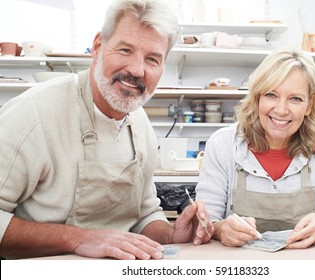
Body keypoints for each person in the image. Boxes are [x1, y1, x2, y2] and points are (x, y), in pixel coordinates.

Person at [0, 0, 212, 260]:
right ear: (99, 47)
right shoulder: (33, 114)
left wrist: (170, 234)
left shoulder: (140, 123)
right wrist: (78, 238)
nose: (137, 70)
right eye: (125, 50)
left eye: (152, 59)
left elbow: (144, 214)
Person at [195, 46, 315, 248]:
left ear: (310, 105)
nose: (281, 110)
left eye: (295, 99)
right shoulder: (224, 144)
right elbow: (203, 224)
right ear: (257, 97)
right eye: (271, 95)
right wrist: (221, 229)